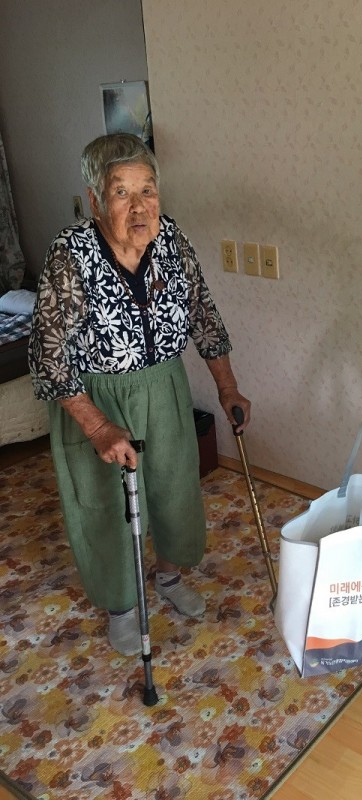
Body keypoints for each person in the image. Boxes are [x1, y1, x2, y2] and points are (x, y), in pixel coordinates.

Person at [29, 133, 251, 657]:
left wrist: (228, 386)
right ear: (95, 200)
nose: (139, 206)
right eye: (121, 192)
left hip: (164, 385)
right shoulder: (70, 253)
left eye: (147, 190)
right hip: (95, 396)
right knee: (108, 506)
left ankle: (169, 576)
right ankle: (123, 607)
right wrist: (97, 426)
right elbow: (47, 354)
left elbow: (203, 314)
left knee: (174, 486)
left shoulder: (171, 237)